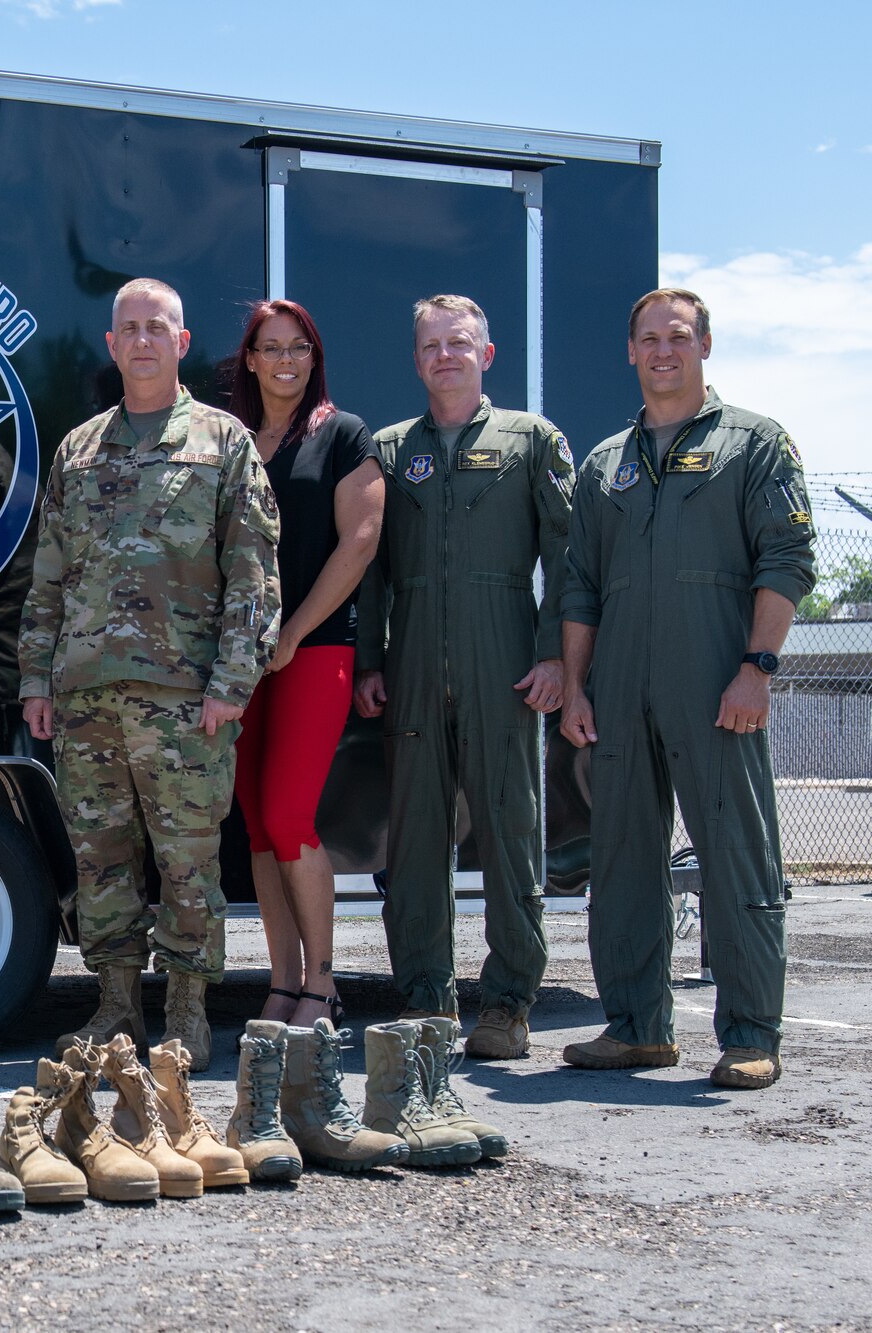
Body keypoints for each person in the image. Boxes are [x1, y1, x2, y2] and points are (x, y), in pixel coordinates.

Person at [19, 277, 282, 1068]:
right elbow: (49, 577)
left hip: (183, 702)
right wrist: (37, 678)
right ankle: (116, 1009)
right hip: (87, 695)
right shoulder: (80, 448)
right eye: (128, 328)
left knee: (187, 862)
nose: (141, 340)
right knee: (100, 859)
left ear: (181, 341)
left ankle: (191, 1014)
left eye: (155, 327)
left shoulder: (222, 442)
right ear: (111, 344)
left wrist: (231, 685)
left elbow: (255, 574)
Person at [559, 288, 813, 1089]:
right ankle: (637, 1026)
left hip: (717, 680)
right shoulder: (608, 463)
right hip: (620, 683)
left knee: (737, 854)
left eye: (678, 336)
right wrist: (574, 687)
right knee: (625, 858)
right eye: (648, 338)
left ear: (706, 344)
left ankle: (749, 1033)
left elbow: (787, 562)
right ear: (629, 351)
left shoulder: (755, 444)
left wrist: (757, 668)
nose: (663, 350)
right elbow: (579, 588)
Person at [356, 295, 574, 1059]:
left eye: (459, 343)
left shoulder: (532, 440)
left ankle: (509, 1003)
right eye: (430, 346)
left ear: (487, 354)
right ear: (416, 360)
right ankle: (426, 1000)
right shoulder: (390, 449)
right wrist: (371, 662)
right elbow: (372, 570)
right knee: (414, 843)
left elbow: (569, 559)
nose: (444, 355)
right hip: (412, 665)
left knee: (512, 835)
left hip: (505, 662)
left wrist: (556, 657)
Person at [225, 300, 383, 1029]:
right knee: (257, 826)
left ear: (314, 359)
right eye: (271, 347)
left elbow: (361, 541)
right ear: (250, 359)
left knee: (291, 814)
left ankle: (322, 984)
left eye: (300, 348)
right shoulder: (232, 440)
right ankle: (282, 982)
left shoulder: (344, 435)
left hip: (314, 650)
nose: (286, 360)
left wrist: (292, 632)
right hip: (239, 658)